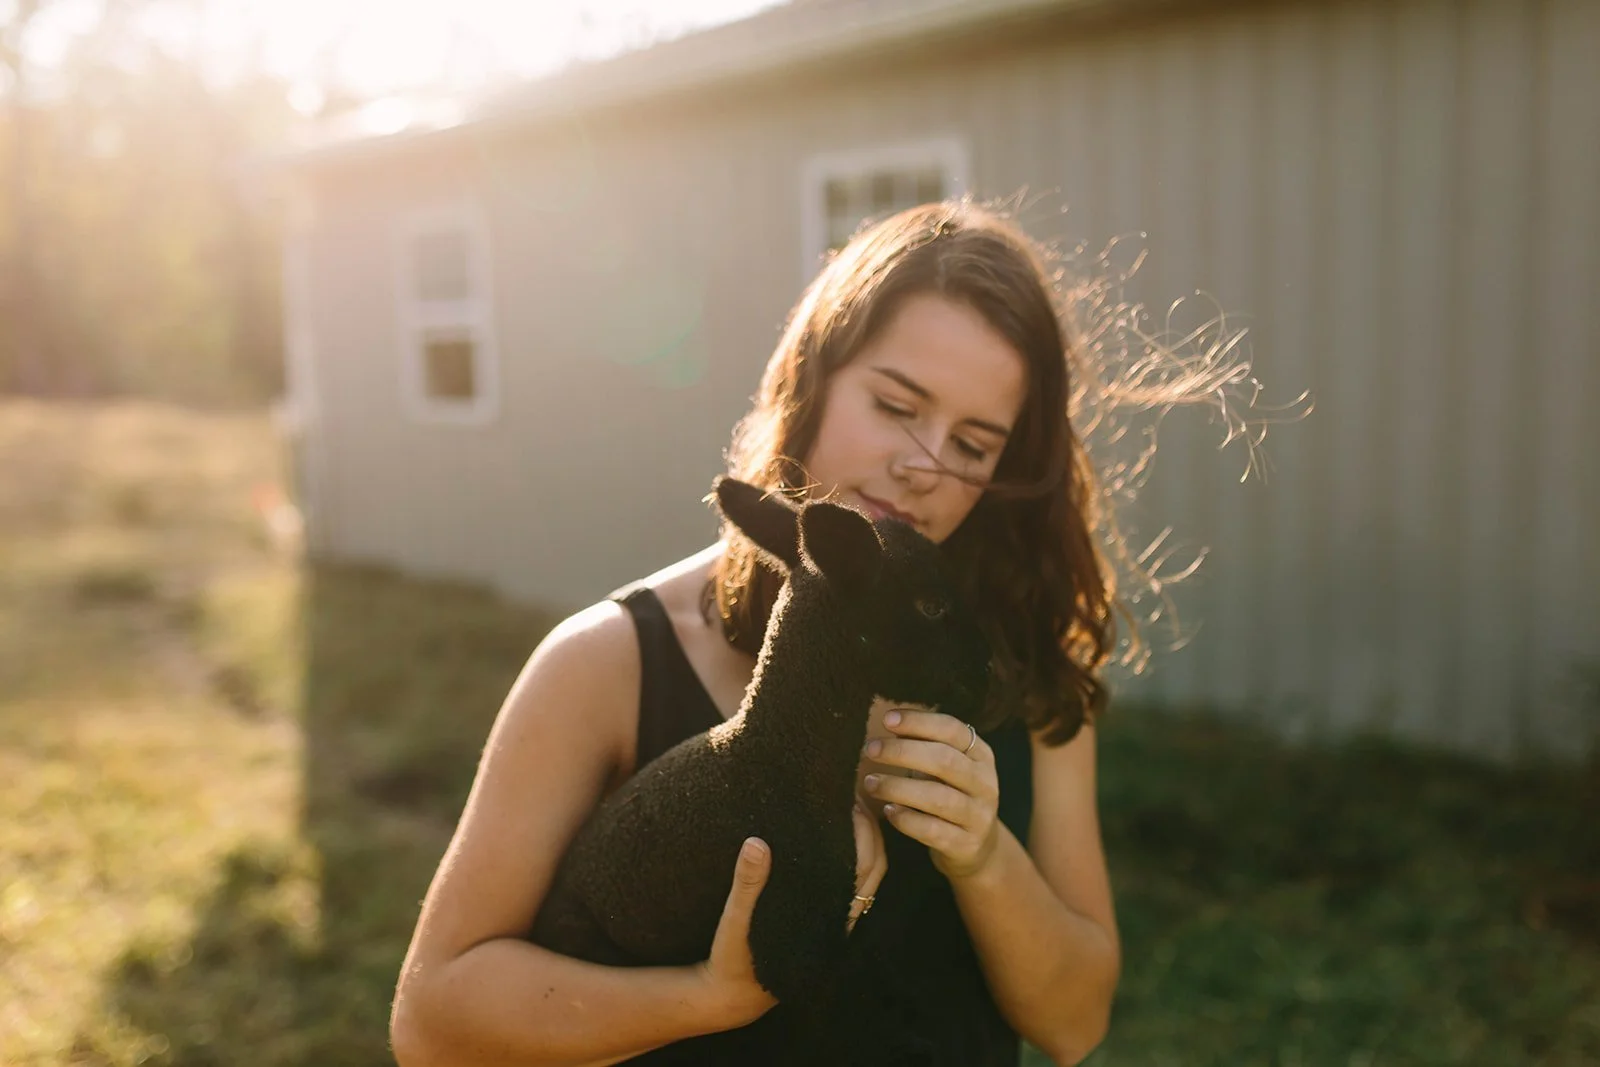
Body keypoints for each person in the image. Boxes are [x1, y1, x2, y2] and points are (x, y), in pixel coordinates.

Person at [390, 199, 1240, 1066]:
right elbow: (433, 1021)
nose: (925, 465)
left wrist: (983, 855)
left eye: (974, 446)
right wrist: (703, 999)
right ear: (812, 376)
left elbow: (1076, 1022)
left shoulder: (1025, 670)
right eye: (897, 405)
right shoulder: (612, 660)